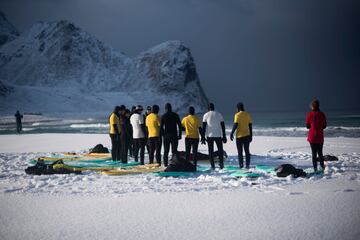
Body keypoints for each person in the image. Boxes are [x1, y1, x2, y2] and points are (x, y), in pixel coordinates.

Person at [202, 103, 227, 169]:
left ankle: (212, 166)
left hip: (209, 136)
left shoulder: (206, 115)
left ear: (208, 108)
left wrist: (203, 137)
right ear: (213, 108)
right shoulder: (219, 114)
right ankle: (221, 164)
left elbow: (204, 127)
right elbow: (223, 126)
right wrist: (224, 135)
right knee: (220, 150)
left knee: (210, 151)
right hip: (218, 135)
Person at [306, 99, 327, 172]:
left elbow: (307, 126)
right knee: (320, 153)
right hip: (320, 136)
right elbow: (324, 126)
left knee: (314, 153)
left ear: (312, 106)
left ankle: (315, 169)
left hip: (312, 137)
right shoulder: (322, 114)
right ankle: (322, 168)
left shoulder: (309, 114)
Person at [230, 102, 253, 169]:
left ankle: (241, 165)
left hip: (239, 136)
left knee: (240, 152)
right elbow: (250, 125)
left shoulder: (237, 115)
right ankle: (247, 165)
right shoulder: (248, 114)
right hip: (247, 135)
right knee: (247, 151)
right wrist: (251, 135)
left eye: (236, 108)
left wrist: (232, 133)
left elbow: (235, 124)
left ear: (238, 108)